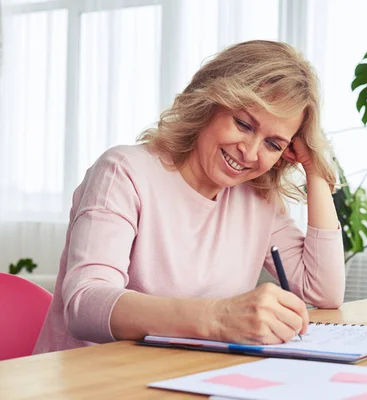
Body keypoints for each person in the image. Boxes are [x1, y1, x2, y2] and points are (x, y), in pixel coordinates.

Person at [34, 40, 345, 354]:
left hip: (184, 378)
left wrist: (314, 169)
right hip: (91, 381)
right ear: (209, 101)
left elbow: (324, 292)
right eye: (243, 124)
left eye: (274, 144)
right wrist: (217, 318)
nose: (250, 153)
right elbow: (84, 305)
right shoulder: (124, 172)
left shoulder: (257, 199)